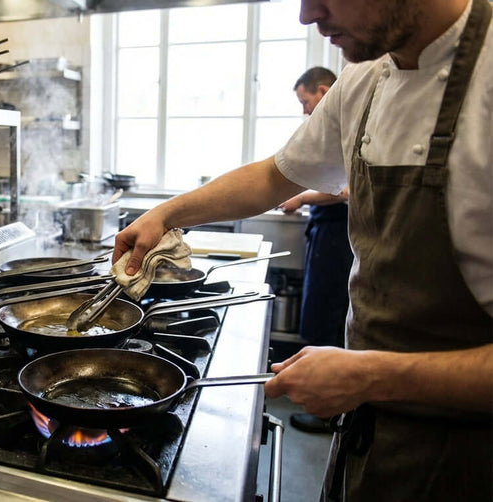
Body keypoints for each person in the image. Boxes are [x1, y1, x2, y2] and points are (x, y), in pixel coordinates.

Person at [113, 0, 492, 500]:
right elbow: (276, 175)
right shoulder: (364, 80)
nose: (307, 17)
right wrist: (166, 214)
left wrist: (373, 374)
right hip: (375, 429)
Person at [277, 67, 354, 434]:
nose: (306, 111)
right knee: (319, 311)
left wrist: (303, 196)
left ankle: (327, 409)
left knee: (326, 315)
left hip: (338, 239)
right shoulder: (338, 129)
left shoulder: (351, 126)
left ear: (323, 91)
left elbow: (345, 191)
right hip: (327, 233)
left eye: (306, 102)